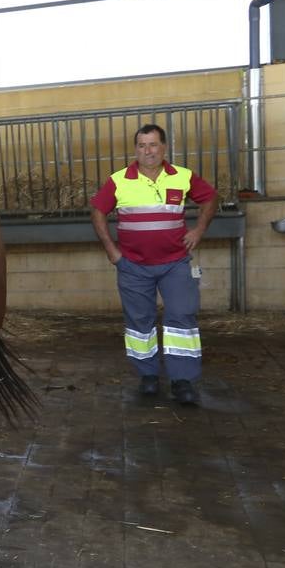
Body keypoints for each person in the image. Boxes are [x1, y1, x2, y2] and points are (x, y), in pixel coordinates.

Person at [90, 124, 218, 405]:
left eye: (153, 144)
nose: (147, 151)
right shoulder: (119, 180)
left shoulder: (182, 176)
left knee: (182, 319)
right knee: (139, 322)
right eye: (141, 145)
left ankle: (182, 380)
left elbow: (210, 198)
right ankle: (147, 375)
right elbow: (98, 210)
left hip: (175, 263)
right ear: (136, 149)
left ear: (164, 147)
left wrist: (198, 230)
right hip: (133, 265)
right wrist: (112, 251)